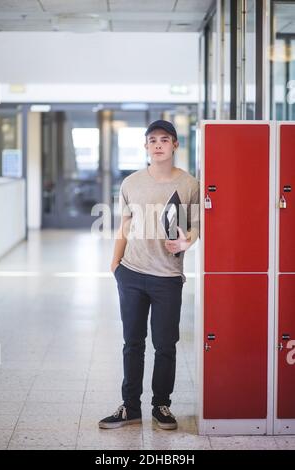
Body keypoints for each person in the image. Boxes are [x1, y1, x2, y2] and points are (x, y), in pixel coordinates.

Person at [98, 120, 199, 430]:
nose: (158, 145)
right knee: (133, 343)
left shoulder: (189, 184)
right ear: (145, 146)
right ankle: (130, 407)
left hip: (167, 277)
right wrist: (115, 265)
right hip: (131, 273)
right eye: (153, 140)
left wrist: (187, 241)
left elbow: (196, 226)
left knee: (165, 344)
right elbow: (125, 225)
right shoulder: (131, 183)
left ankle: (161, 406)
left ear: (175, 145)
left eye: (165, 140)